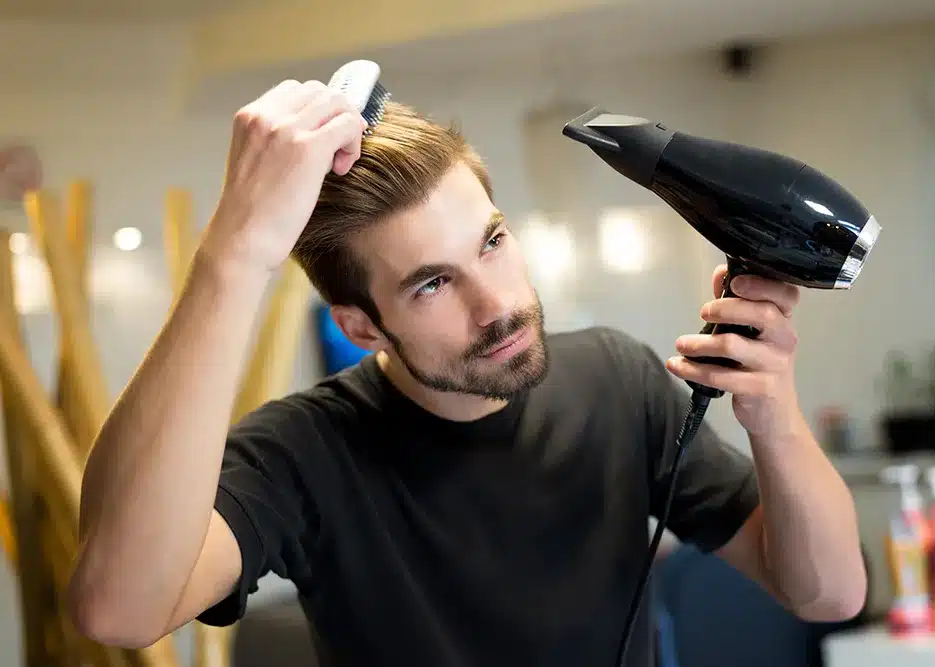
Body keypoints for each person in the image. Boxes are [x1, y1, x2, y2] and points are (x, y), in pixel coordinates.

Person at [66, 79, 867, 667]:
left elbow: (828, 593)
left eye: (491, 242)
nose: (498, 305)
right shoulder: (303, 452)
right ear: (360, 326)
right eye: (432, 282)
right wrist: (234, 254)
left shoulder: (620, 381)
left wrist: (776, 419)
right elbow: (120, 606)